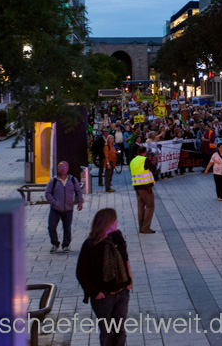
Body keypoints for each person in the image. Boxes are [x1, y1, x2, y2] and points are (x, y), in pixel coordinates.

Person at [76, 208, 132, 346]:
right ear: (107, 223)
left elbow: (125, 259)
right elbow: (81, 272)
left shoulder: (117, 237)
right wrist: (94, 292)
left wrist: (129, 281)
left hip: (121, 292)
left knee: (120, 329)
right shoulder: (91, 244)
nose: (117, 222)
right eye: (114, 220)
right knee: (106, 331)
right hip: (103, 296)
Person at [45, 161, 84, 253]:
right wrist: (53, 202)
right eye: (61, 167)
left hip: (68, 208)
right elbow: (47, 193)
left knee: (67, 228)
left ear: (68, 169)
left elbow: (78, 191)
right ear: (58, 169)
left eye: (64, 167)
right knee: (51, 227)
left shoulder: (73, 180)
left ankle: (66, 245)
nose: (63, 169)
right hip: (55, 208)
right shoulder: (54, 181)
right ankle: (55, 244)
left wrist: (80, 202)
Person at [130, 146, 157, 234]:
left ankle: (141, 227)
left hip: (137, 186)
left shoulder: (133, 160)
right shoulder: (145, 160)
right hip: (145, 186)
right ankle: (145, 227)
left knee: (141, 206)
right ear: (145, 152)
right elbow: (154, 168)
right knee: (150, 206)